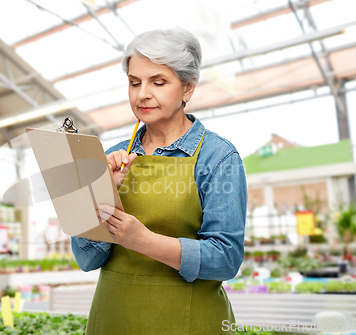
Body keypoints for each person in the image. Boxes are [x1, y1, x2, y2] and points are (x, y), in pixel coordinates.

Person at [71, 27, 247, 335]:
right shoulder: (109, 156)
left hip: (189, 323)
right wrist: (104, 193)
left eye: (158, 82)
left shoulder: (218, 158)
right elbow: (86, 258)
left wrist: (143, 241)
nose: (142, 94)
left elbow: (226, 259)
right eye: (134, 82)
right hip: (114, 320)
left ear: (188, 88)